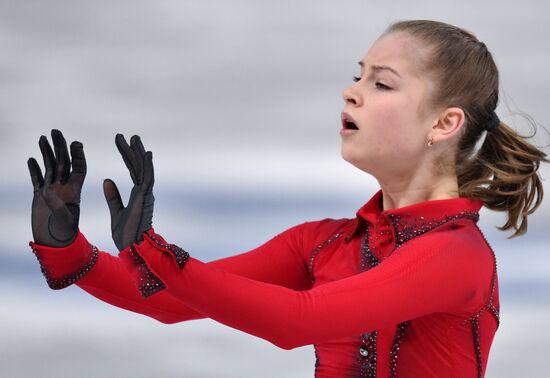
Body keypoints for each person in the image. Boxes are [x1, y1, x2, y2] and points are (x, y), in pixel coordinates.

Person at [27, 20, 547, 377]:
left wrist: (154, 251)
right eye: (356, 75)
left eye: (382, 84)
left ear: (445, 123)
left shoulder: (455, 256)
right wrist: (70, 249)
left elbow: (300, 321)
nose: (352, 92)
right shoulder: (323, 243)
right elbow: (167, 301)